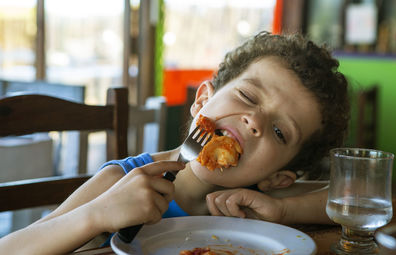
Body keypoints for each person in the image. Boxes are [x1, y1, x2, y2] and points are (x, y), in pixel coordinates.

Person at [0, 31, 350, 254]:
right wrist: (96, 215)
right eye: (247, 95)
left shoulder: (259, 197)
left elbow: (373, 201)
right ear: (201, 102)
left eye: (280, 132)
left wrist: (284, 209)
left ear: (279, 176)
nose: (255, 121)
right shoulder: (122, 182)